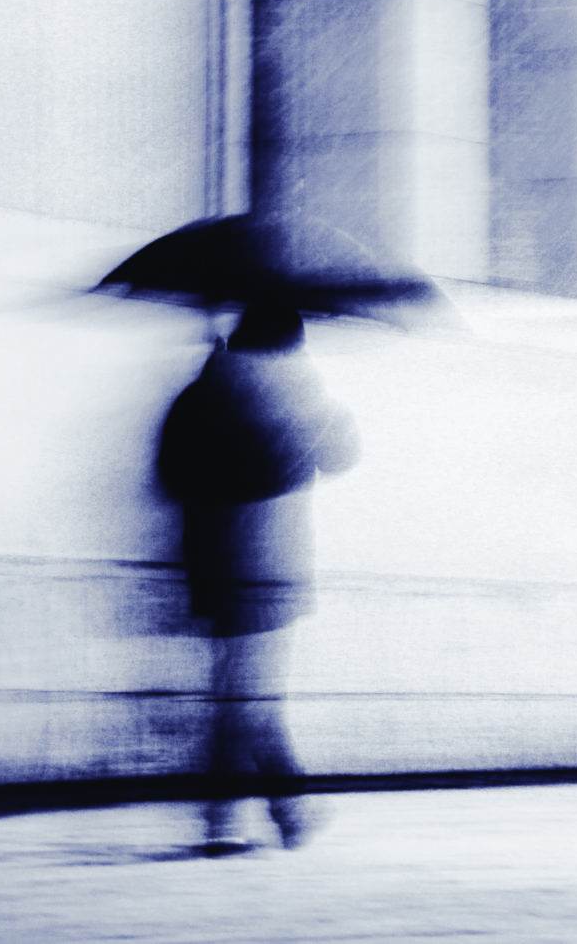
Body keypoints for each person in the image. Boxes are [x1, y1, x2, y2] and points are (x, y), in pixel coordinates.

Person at [158, 305, 359, 855]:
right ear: (291, 347)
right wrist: (322, 403)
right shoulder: (302, 398)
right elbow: (344, 458)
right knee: (248, 697)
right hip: (275, 563)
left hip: (212, 561)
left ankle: (267, 812)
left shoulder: (202, 394)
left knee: (241, 694)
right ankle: (257, 814)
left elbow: (169, 473)